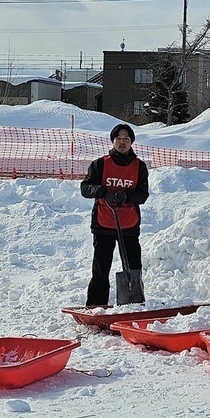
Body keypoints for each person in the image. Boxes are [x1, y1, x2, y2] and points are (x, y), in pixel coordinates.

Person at [80, 123, 150, 306]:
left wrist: (127, 195)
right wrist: (102, 191)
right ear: (112, 141)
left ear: (131, 142)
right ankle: (96, 306)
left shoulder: (139, 167)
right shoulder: (100, 164)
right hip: (104, 224)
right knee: (101, 268)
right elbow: (85, 188)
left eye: (126, 139)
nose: (122, 142)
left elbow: (143, 195)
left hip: (128, 225)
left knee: (133, 267)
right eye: (118, 138)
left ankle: (134, 303)